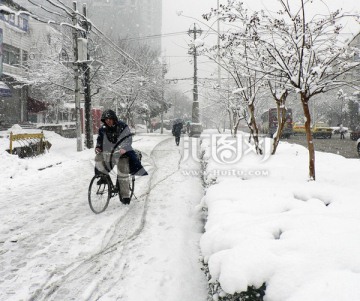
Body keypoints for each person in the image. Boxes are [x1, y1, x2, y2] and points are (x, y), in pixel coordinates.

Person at [94, 109, 147, 205]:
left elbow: (128, 139)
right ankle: (103, 177)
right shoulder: (103, 129)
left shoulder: (122, 126)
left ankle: (125, 196)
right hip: (110, 153)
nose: (108, 121)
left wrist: (124, 148)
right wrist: (98, 147)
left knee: (123, 172)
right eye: (106, 120)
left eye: (110, 119)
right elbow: (100, 140)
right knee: (98, 158)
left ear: (114, 119)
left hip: (123, 153)